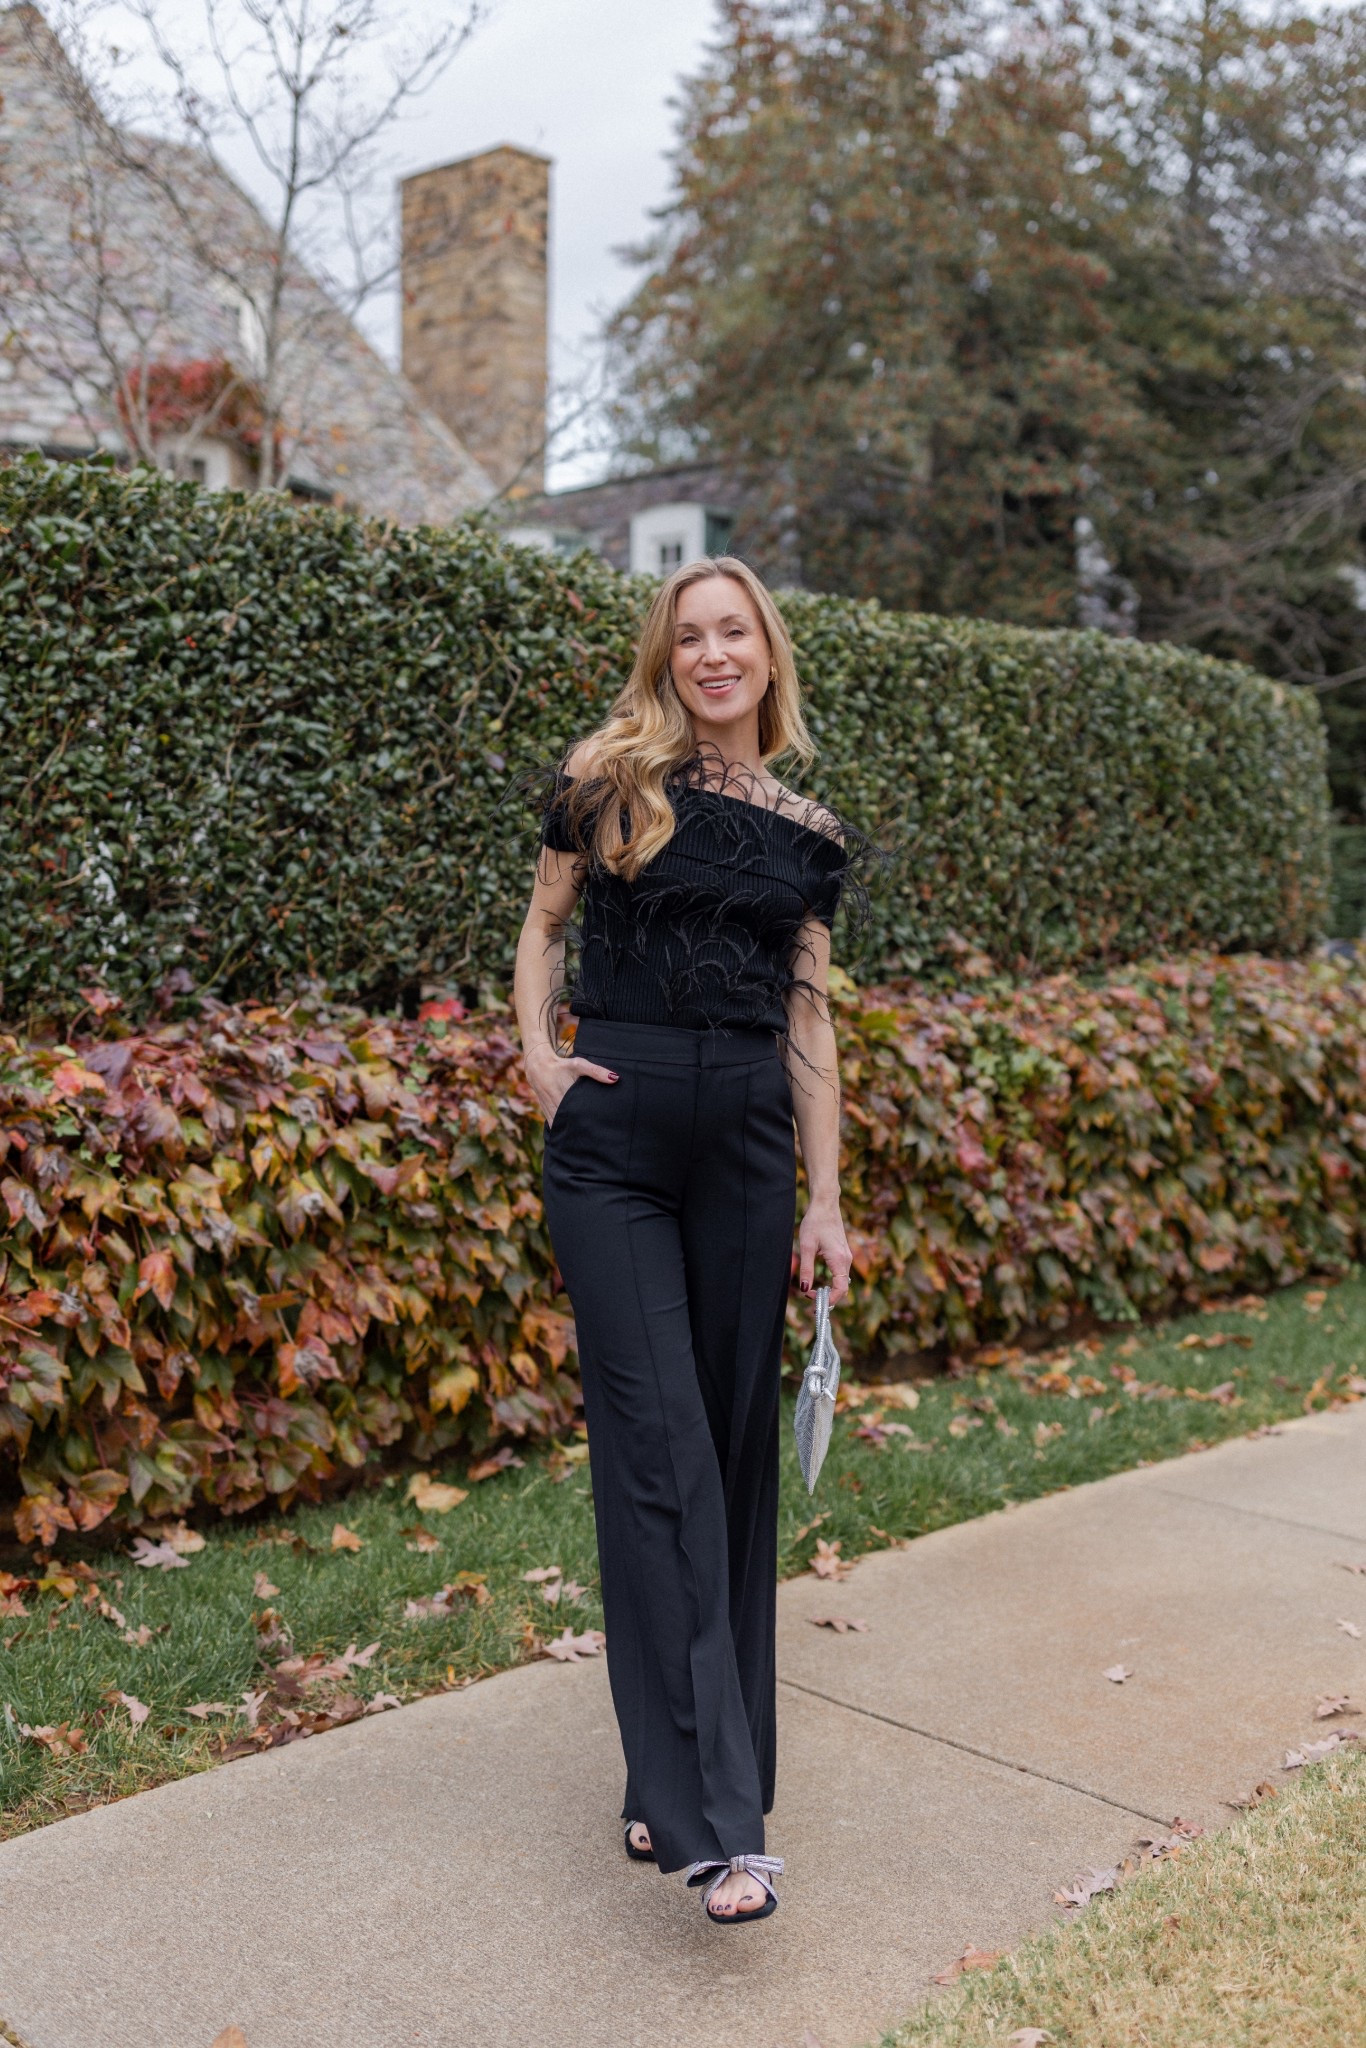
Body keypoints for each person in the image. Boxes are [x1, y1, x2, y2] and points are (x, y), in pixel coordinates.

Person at [512, 556, 881, 1926]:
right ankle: (721, 1829)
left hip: (744, 1144)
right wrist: (538, 1062)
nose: (712, 655)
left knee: (726, 1456)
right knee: (660, 1445)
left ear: (767, 655)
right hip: (614, 1136)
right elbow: (544, 926)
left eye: (733, 634)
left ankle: (671, 1774)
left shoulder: (809, 834)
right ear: (663, 657)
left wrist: (825, 1201)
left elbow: (808, 1022)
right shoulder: (610, 774)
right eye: (688, 637)